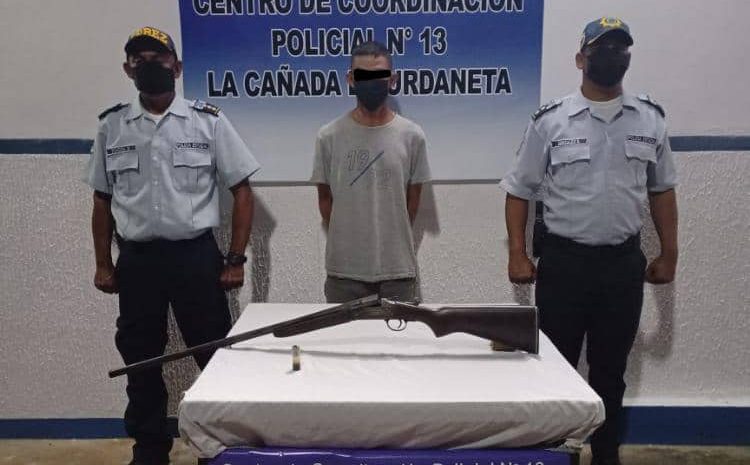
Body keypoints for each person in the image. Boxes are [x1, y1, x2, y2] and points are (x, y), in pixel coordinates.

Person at [500, 18, 678, 465]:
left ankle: (605, 455)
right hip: (565, 265)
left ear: (628, 58)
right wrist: (517, 253)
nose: (612, 56)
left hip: (621, 266)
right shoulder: (551, 121)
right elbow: (519, 190)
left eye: (620, 49)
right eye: (601, 49)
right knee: (554, 369)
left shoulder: (650, 120)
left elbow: (662, 190)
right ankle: (555, 454)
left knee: (610, 373)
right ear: (581, 59)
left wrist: (670, 253)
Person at [84, 26, 260, 465]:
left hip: (194, 257)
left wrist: (235, 259)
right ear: (128, 69)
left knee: (214, 355)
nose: (149, 66)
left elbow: (242, 190)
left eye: (158, 59)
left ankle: (219, 447)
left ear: (177, 68)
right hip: (138, 261)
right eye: (139, 60)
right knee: (140, 360)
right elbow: (102, 200)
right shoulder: (112, 126)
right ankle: (149, 449)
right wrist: (103, 263)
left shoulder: (207, 121)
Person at [311, 41, 431, 303]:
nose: (372, 83)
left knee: (401, 333)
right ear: (351, 79)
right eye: (363, 75)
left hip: (397, 273)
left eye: (379, 75)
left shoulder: (412, 136)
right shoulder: (328, 136)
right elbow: (325, 201)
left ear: (392, 80)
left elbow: (412, 203)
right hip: (344, 274)